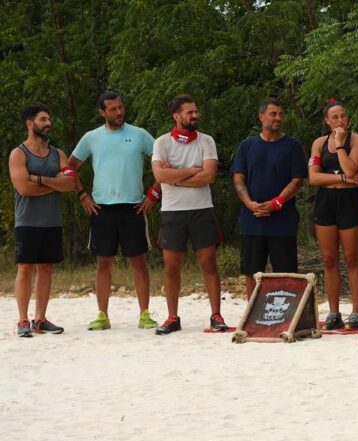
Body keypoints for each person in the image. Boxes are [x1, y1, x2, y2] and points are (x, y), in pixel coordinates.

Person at [68, 91, 160, 330]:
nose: (119, 112)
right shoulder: (91, 138)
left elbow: (164, 161)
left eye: (121, 107)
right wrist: (82, 195)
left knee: (138, 261)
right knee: (103, 262)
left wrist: (153, 194)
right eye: (113, 109)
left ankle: (144, 314)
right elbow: (70, 167)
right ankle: (102, 315)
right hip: (102, 208)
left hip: (133, 207)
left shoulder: (139, 134)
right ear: (102, 112)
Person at [151, 95, 227, 335]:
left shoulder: (206, 141)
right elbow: (160, 177)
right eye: (189, 112)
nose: (195, 115)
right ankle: (172, 317)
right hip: (172, 211)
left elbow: (209, 176)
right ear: (176, 116)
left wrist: (175, 177)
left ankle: (216, 315)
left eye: (195, 111)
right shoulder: (162, 143)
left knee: (208, 261)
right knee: (172, 266)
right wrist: (192, 171)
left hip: (202, 209)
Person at [9, 105, 77, 336]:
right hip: (27, 221)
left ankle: (40, 319)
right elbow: (23, 188)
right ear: (30, 123)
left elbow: (70, 183)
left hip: (52, 221)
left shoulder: (58, 154)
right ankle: (22, 321)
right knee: (25, 269)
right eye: (43, 119)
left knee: (46, 268)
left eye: (49, 119)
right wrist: (55, 183)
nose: (48, 123)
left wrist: (39, 179)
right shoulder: (18, 154)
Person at [233, 97, 307, 297]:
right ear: (261, 116)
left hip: (283, 221)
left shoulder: (292, 145)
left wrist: (277, 202)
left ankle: (286, 312)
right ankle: (252, 312)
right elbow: (238, 178)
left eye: (281, 114)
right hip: (252, 220)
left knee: (286, 274)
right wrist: (249, 203)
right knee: (252, 272)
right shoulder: (247, 145)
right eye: (273, 114)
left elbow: (298, 179)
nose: (278, 118)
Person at [307, 99, 358, 330]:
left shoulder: (357, 140)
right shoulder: (319, 143)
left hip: (349, 201)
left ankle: (356, 312)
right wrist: (342, 178)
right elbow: (314, 177)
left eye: (343, 116)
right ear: (327, 120)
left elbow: (352, 169)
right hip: (326, 202)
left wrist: (341, 145)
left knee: (352, 258)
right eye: (335, 117)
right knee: (329, 259)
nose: (340, 120)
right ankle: (333, 312)